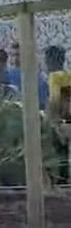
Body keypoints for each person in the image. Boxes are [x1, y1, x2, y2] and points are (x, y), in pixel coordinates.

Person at [46, 45, 71, 184]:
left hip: (57, 123)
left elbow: (54, 101)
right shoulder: (67, 76)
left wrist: (54, 123)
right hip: (66, 121)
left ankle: (60, 182)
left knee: (57, 154)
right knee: (64, 154)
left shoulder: (54, 77)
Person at [8, 42, 49, 108]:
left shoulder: (39, 77)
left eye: (18, 55)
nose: (15, 59)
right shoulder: (10, 73)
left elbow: (42, 104)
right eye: (12, 55)